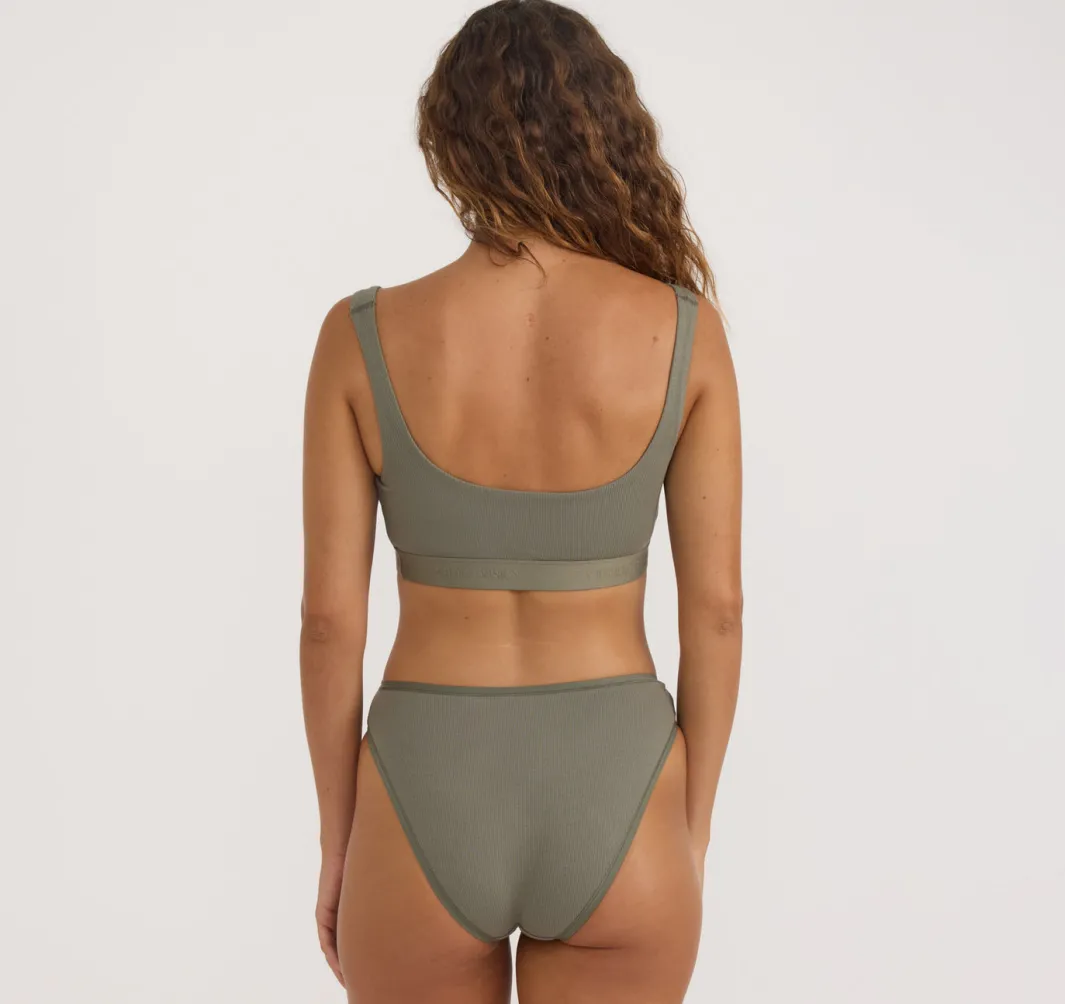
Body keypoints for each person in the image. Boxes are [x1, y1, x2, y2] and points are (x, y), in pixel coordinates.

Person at [300, 2, 742, 1001]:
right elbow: (717, 610)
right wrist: (690, 825)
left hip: (424, 781)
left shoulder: (359, 337)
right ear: (603, 130)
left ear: (450, 140)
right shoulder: (684, 332)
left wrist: (340, 838)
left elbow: (328, 621)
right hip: (619, 779)